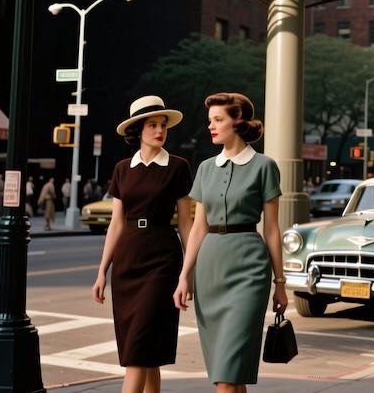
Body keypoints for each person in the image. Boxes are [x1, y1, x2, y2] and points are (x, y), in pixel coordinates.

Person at [173, 92, 287, 393]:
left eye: (218, 120)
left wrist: (280, 283)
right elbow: (198, 228)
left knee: (228, 370)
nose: (211, 126)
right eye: (210, 120)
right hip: (210, 271)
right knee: (229, 375)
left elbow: (272, 230)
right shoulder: (206, 168)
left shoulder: (264, 166)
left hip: (249, 269)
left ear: (239, 122)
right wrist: (185, 276)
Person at [93, 95, 193, 393]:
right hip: (127, 263)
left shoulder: (178, 166)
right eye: (153, 125)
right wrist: (102, 271)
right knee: (147, 353)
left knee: (138, 346)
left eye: (163, 125)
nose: (160, 130)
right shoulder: (123, 169)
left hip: (162, 260)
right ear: (138, 130)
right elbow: (116, 224)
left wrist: (188, 271)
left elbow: (186, 222)